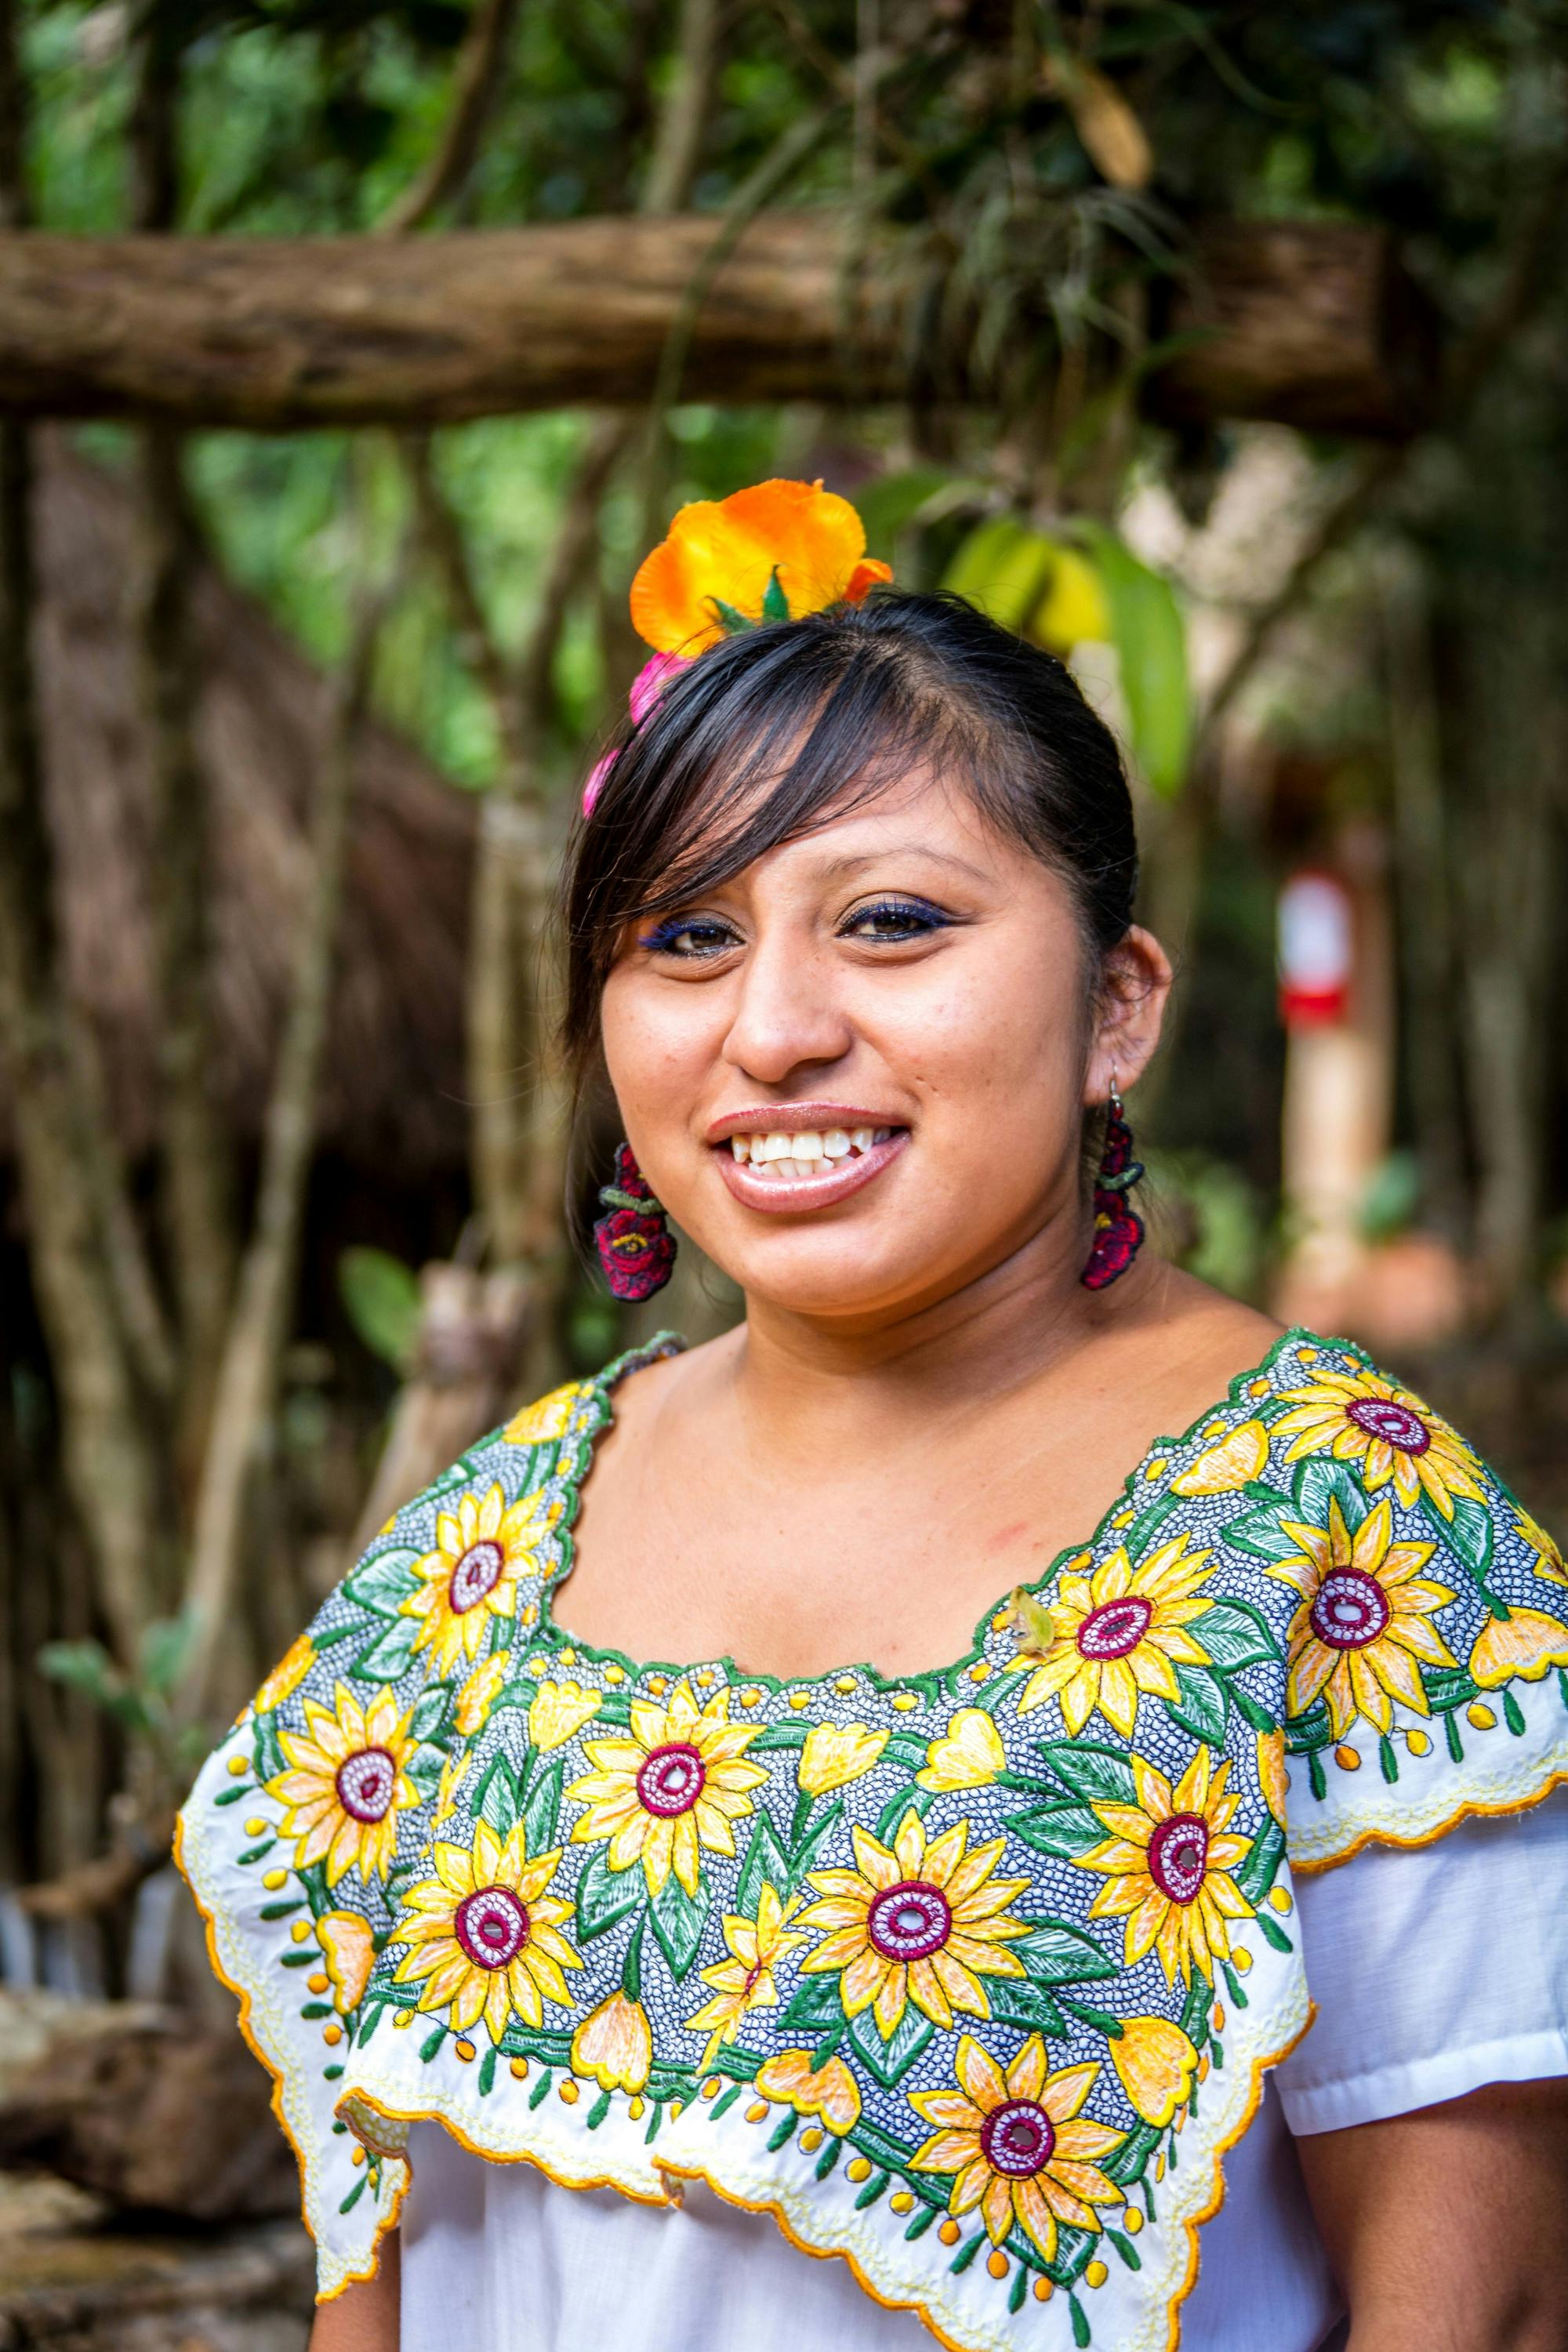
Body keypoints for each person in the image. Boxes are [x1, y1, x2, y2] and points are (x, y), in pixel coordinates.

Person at [177, 481, 1568, 2352]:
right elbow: (385, 2249)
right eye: (683, 940)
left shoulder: (1343, 1530)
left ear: (1116, 1009)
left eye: (892, 922)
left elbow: (1478, 2307)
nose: (771, 1030)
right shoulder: (491, 1545)